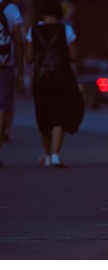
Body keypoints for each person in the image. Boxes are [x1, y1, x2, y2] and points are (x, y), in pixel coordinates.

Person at [26, 0, 83, 167]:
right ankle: (56, 155)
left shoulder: (33, 30)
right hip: (61, 79)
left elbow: (29, 58)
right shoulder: (66, 30)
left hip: (40, 80)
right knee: (59, 116)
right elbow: (74, 56)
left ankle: (46, 154)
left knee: (43, 116)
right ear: (59, 13)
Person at [0, 0, 24, 166]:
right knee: (2, 107)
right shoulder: (11, 9)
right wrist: (20, 70)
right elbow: (18, 41)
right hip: (5, 65)